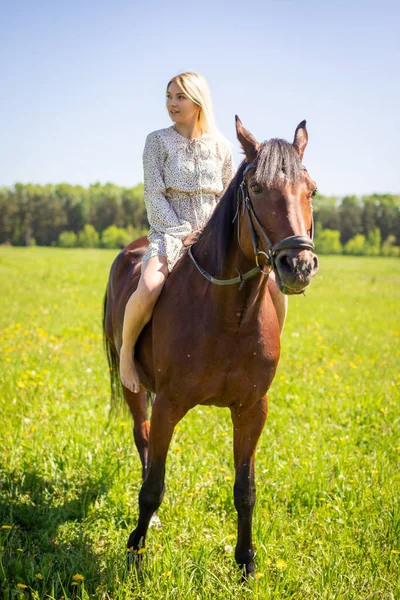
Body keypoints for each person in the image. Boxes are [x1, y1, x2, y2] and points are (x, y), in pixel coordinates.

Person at [120, 71, 287, 393]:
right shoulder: (156, 141)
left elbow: (229, 198)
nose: (172, 103)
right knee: (150, 286)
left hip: (217, 237)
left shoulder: (222, 146)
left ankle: (268, 353)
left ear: (198, 101)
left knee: (276, 289)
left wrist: (218, 233)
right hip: (170, 233)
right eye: (169, 96)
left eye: (179, 96)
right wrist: (181, 232)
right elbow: (154, 194)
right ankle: (126, 352)